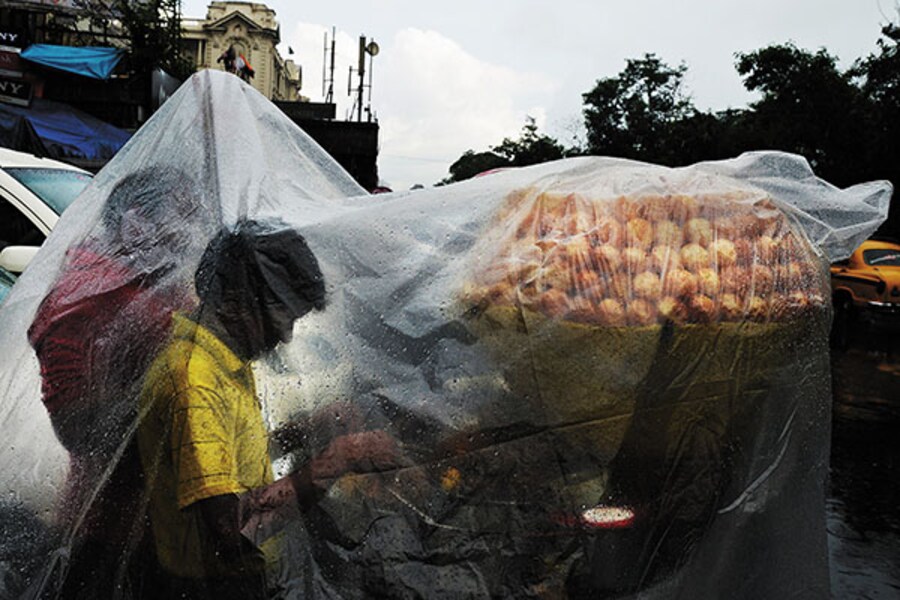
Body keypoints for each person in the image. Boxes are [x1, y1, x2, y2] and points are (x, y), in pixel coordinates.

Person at [137, 219, 404, 599]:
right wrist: (339, 458)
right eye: (283, 318)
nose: (286, 335)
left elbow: (230, 468)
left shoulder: (223, 361)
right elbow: (229, 530)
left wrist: (306, 430)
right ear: (234, 301)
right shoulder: (194, 381)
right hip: (211, 588)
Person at [27, 169, 205, 599]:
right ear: (136, 223)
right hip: (109, 530)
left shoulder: (159, 284)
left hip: (166, 524)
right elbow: (76, 427)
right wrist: (169, 397)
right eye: (184, 216)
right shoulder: (85, 295)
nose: (194, 230)